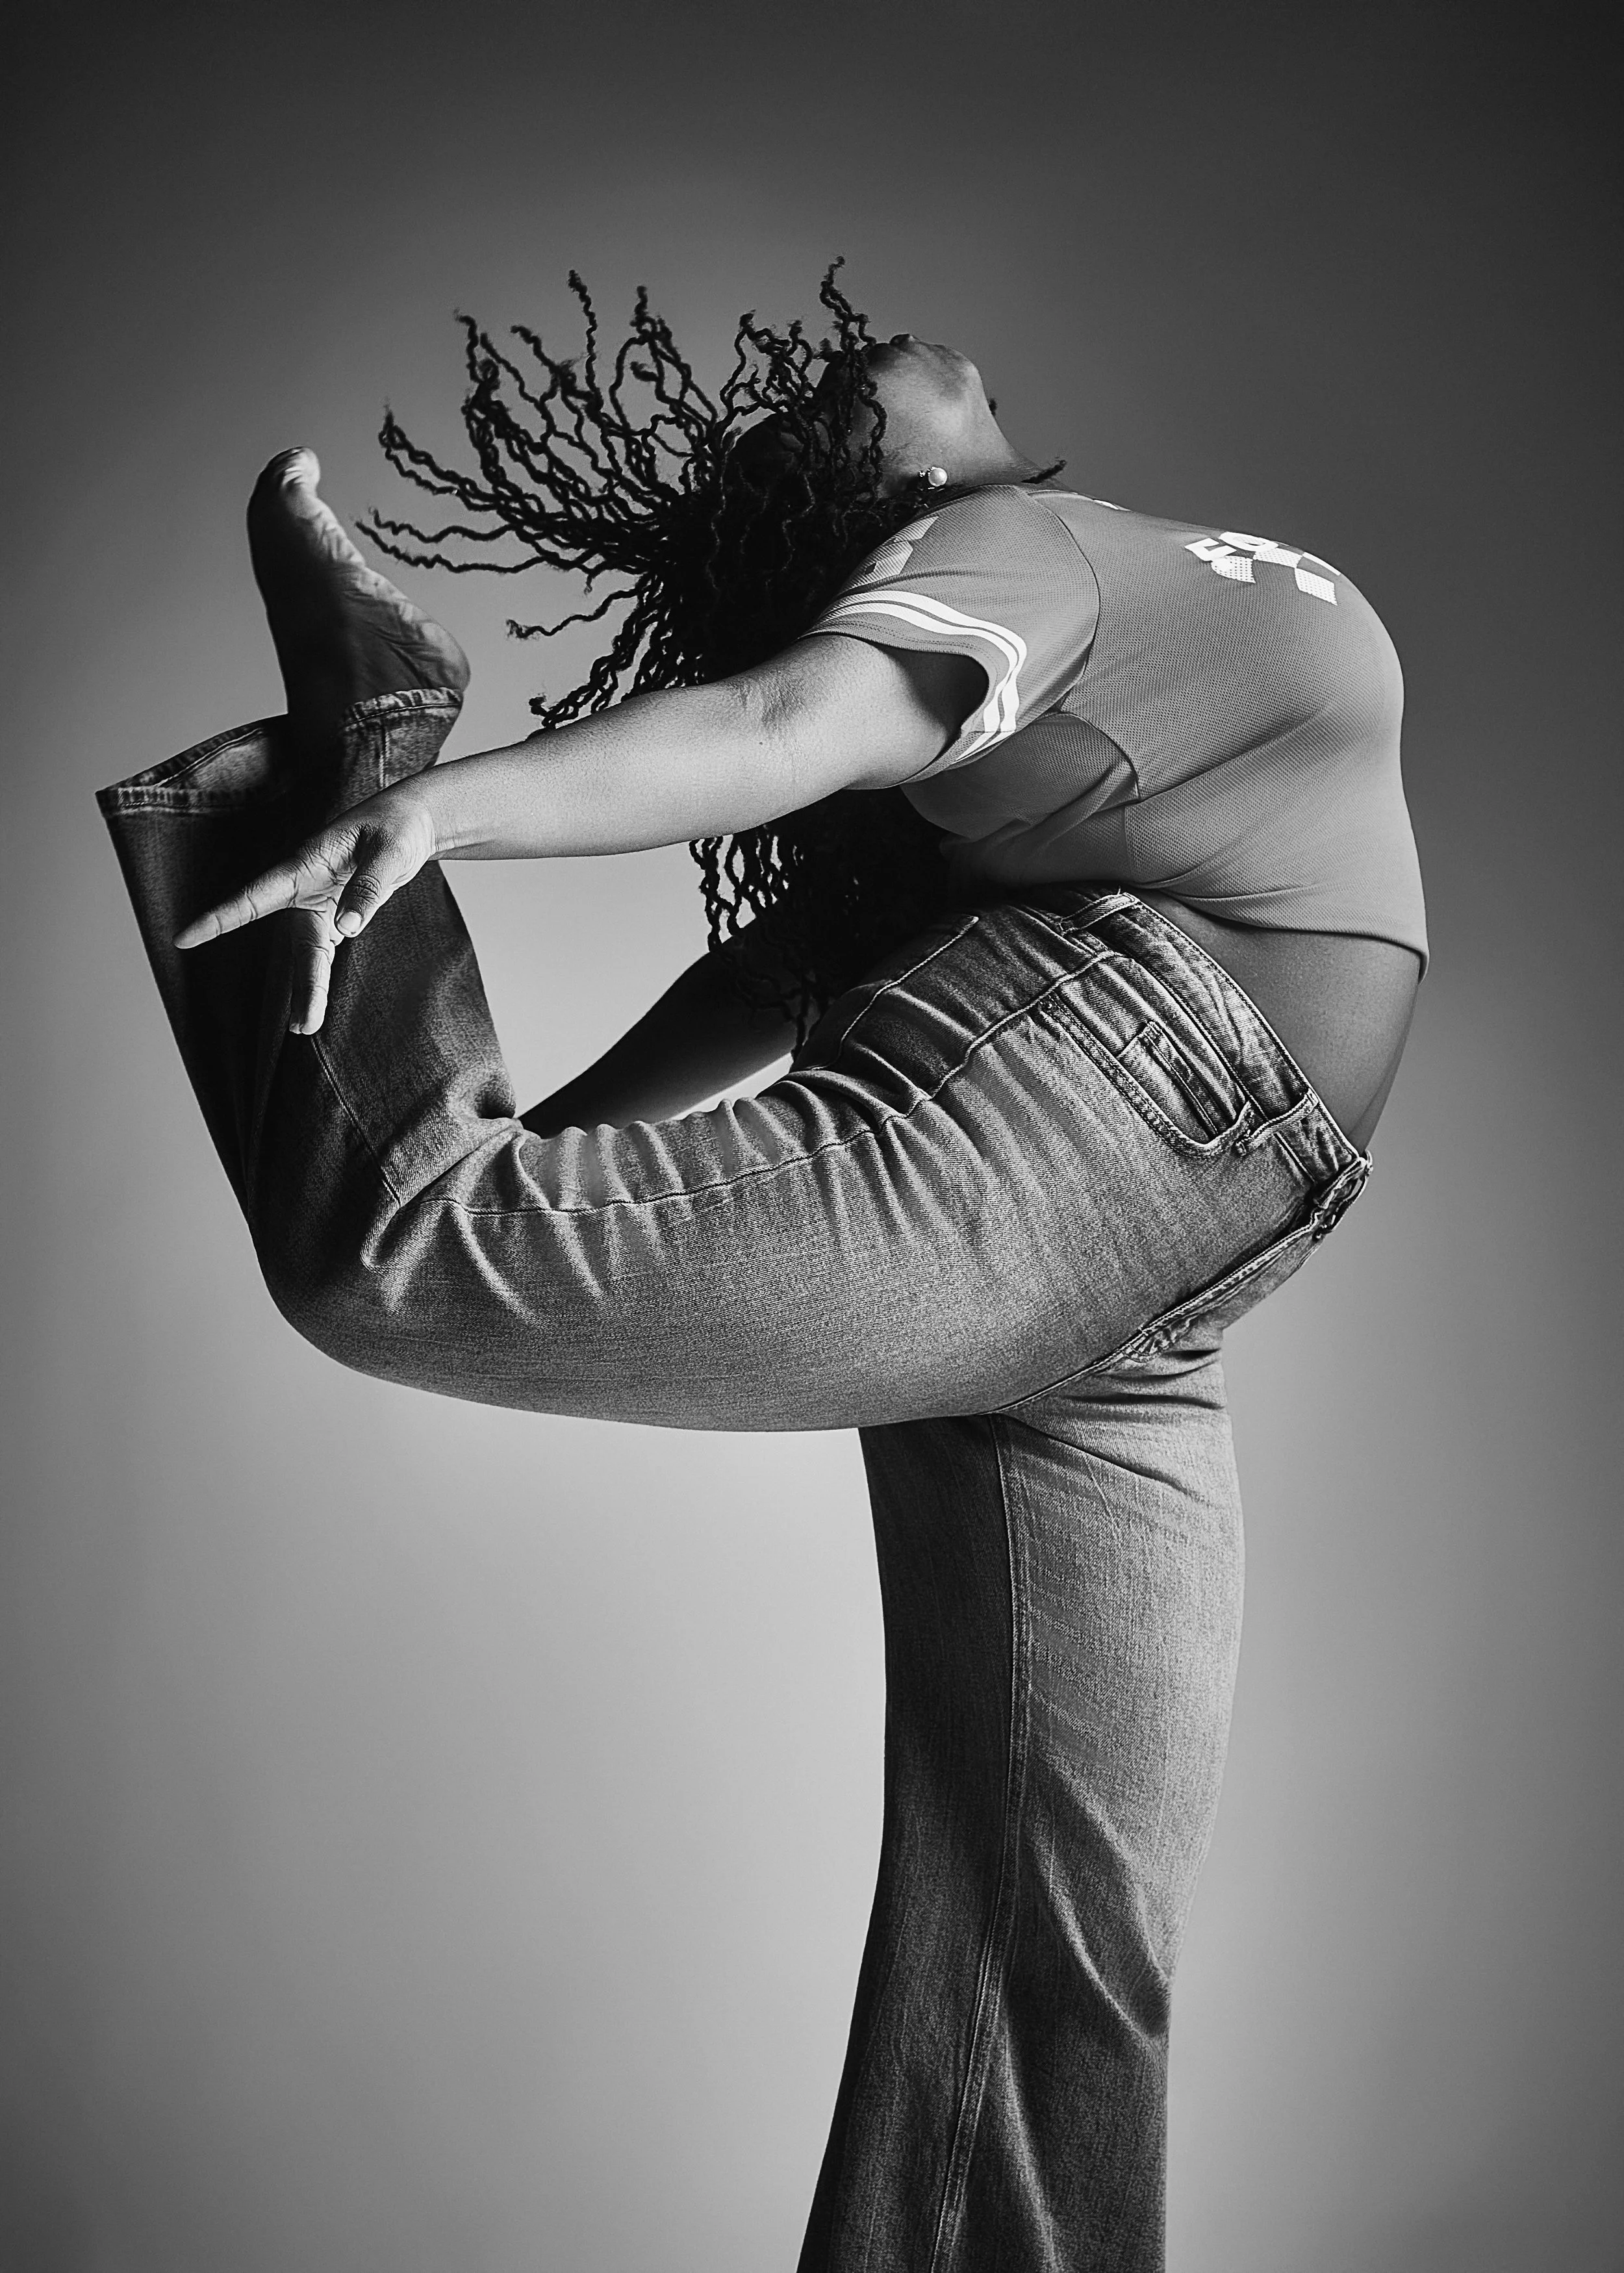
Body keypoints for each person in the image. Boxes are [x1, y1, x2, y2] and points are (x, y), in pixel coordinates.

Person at [99, 270, 1423, 2272]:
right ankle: (358, 741)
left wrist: (539, 1162)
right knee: (392, 1256)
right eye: (813, 415)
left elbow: (777, 967)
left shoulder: (1052, 660)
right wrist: (434, 816)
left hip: (1155, 1271)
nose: (841, 363)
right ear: (873, 505)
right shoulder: (992, 547)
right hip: (1085, 1141)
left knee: (1054, 1928)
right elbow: (788, 725)